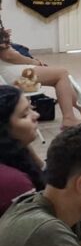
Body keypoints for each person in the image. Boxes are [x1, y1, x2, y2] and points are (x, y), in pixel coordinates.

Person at [0, 0, 81, 128]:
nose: (1, 10)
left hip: (6, 72)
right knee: (61, 74)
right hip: (10, 76)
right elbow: (9, 56)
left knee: (58, 76)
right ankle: (70, 118)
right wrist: (32, 61)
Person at [0, 85, 43, 214]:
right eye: (24, 115)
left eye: (31, 108)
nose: (36, 115)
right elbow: (39, 222)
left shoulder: (14, 154)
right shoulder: (14, 183)